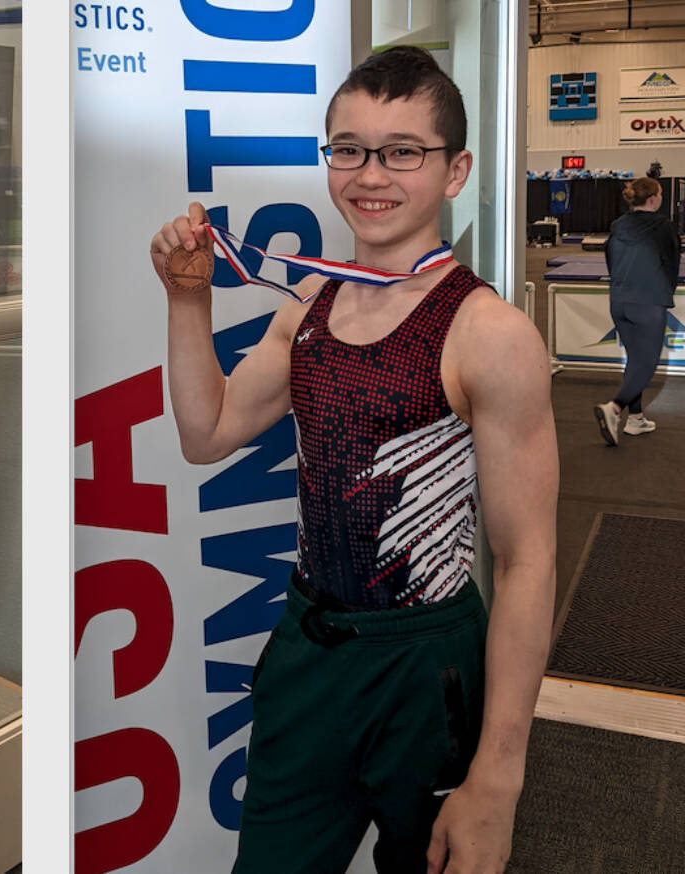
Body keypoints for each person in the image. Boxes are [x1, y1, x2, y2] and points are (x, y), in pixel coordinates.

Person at [149, 47, 557, 874]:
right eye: (349, 148)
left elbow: (526, 562)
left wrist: (498, 781)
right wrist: (188, 298)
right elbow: (208, 433)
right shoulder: (309, 304)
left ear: (454, 171)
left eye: (403, 150)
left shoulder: (489, 334)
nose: (371, 174)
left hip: (426, 665)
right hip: (309, 648)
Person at [593, 177, 681, 445]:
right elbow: (672, 262)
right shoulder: (664, 227)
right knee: (646, 362)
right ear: (653, 199)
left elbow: (610, 259)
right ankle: (615, 407)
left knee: (635, 359)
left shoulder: (618, 226)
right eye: (661, 194)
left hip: (619, 301)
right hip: (648, 301)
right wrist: (664, 291)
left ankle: (636, 418)